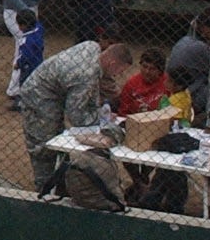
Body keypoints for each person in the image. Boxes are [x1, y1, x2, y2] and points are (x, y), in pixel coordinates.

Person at [18, 40, 133, 190]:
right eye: (120, 71)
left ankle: (59, 182)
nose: (118, 75)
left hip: (50, 90)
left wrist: (97, 112)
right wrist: (101, 119)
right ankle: (43, 187)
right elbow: (76, 116)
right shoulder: (86, 75)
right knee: (44, 145)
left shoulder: (93, 47)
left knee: (57, 139)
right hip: (39, 97)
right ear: (112, 63)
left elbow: (90, 94)